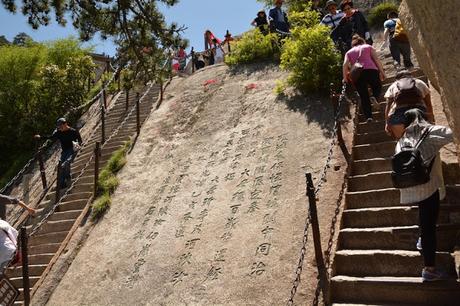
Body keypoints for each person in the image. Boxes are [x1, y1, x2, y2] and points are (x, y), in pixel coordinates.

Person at [395, 108, 453, 281]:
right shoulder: (431, 133)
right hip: (428, 186)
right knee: (429, 227)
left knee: (425, 216)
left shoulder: (402, 140)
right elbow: (452, 133)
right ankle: (429, 269)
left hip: (410, 187)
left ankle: (421, 239)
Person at [343, 35, 386, 122]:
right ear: (362, 41)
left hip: (357, 74)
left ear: (353, 44)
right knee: (377, 86)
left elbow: (345, 65)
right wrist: (382, 72)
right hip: (371, 70)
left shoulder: (348, 52)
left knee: (363, 96)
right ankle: (374, 97)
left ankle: (369, 117)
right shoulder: (368, 47)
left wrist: (345, 78)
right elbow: (376, 60)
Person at [384, 70, 434, 139]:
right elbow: (428, 103)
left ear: (397, 79)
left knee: (401, 139)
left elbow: (388, 105)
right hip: (419, 111)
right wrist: (431, 117)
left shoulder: (393, 85)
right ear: (411, 76)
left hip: (400, 114)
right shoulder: (420, 82)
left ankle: (402, 144)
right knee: (425, 138)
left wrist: (387, 123)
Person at [34, 118, 82, 188]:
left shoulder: (73, 131)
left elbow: (80, 140)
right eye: (59, 127)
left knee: (65, 164)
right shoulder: (59, 133)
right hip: (64, 151)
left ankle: (67, 178)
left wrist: (77, 145)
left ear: (65, 124)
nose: (60, 128)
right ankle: (62, 184)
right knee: (60, 167)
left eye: (61, 126)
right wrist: (40, 137)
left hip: (72, 150)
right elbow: (50, 137)